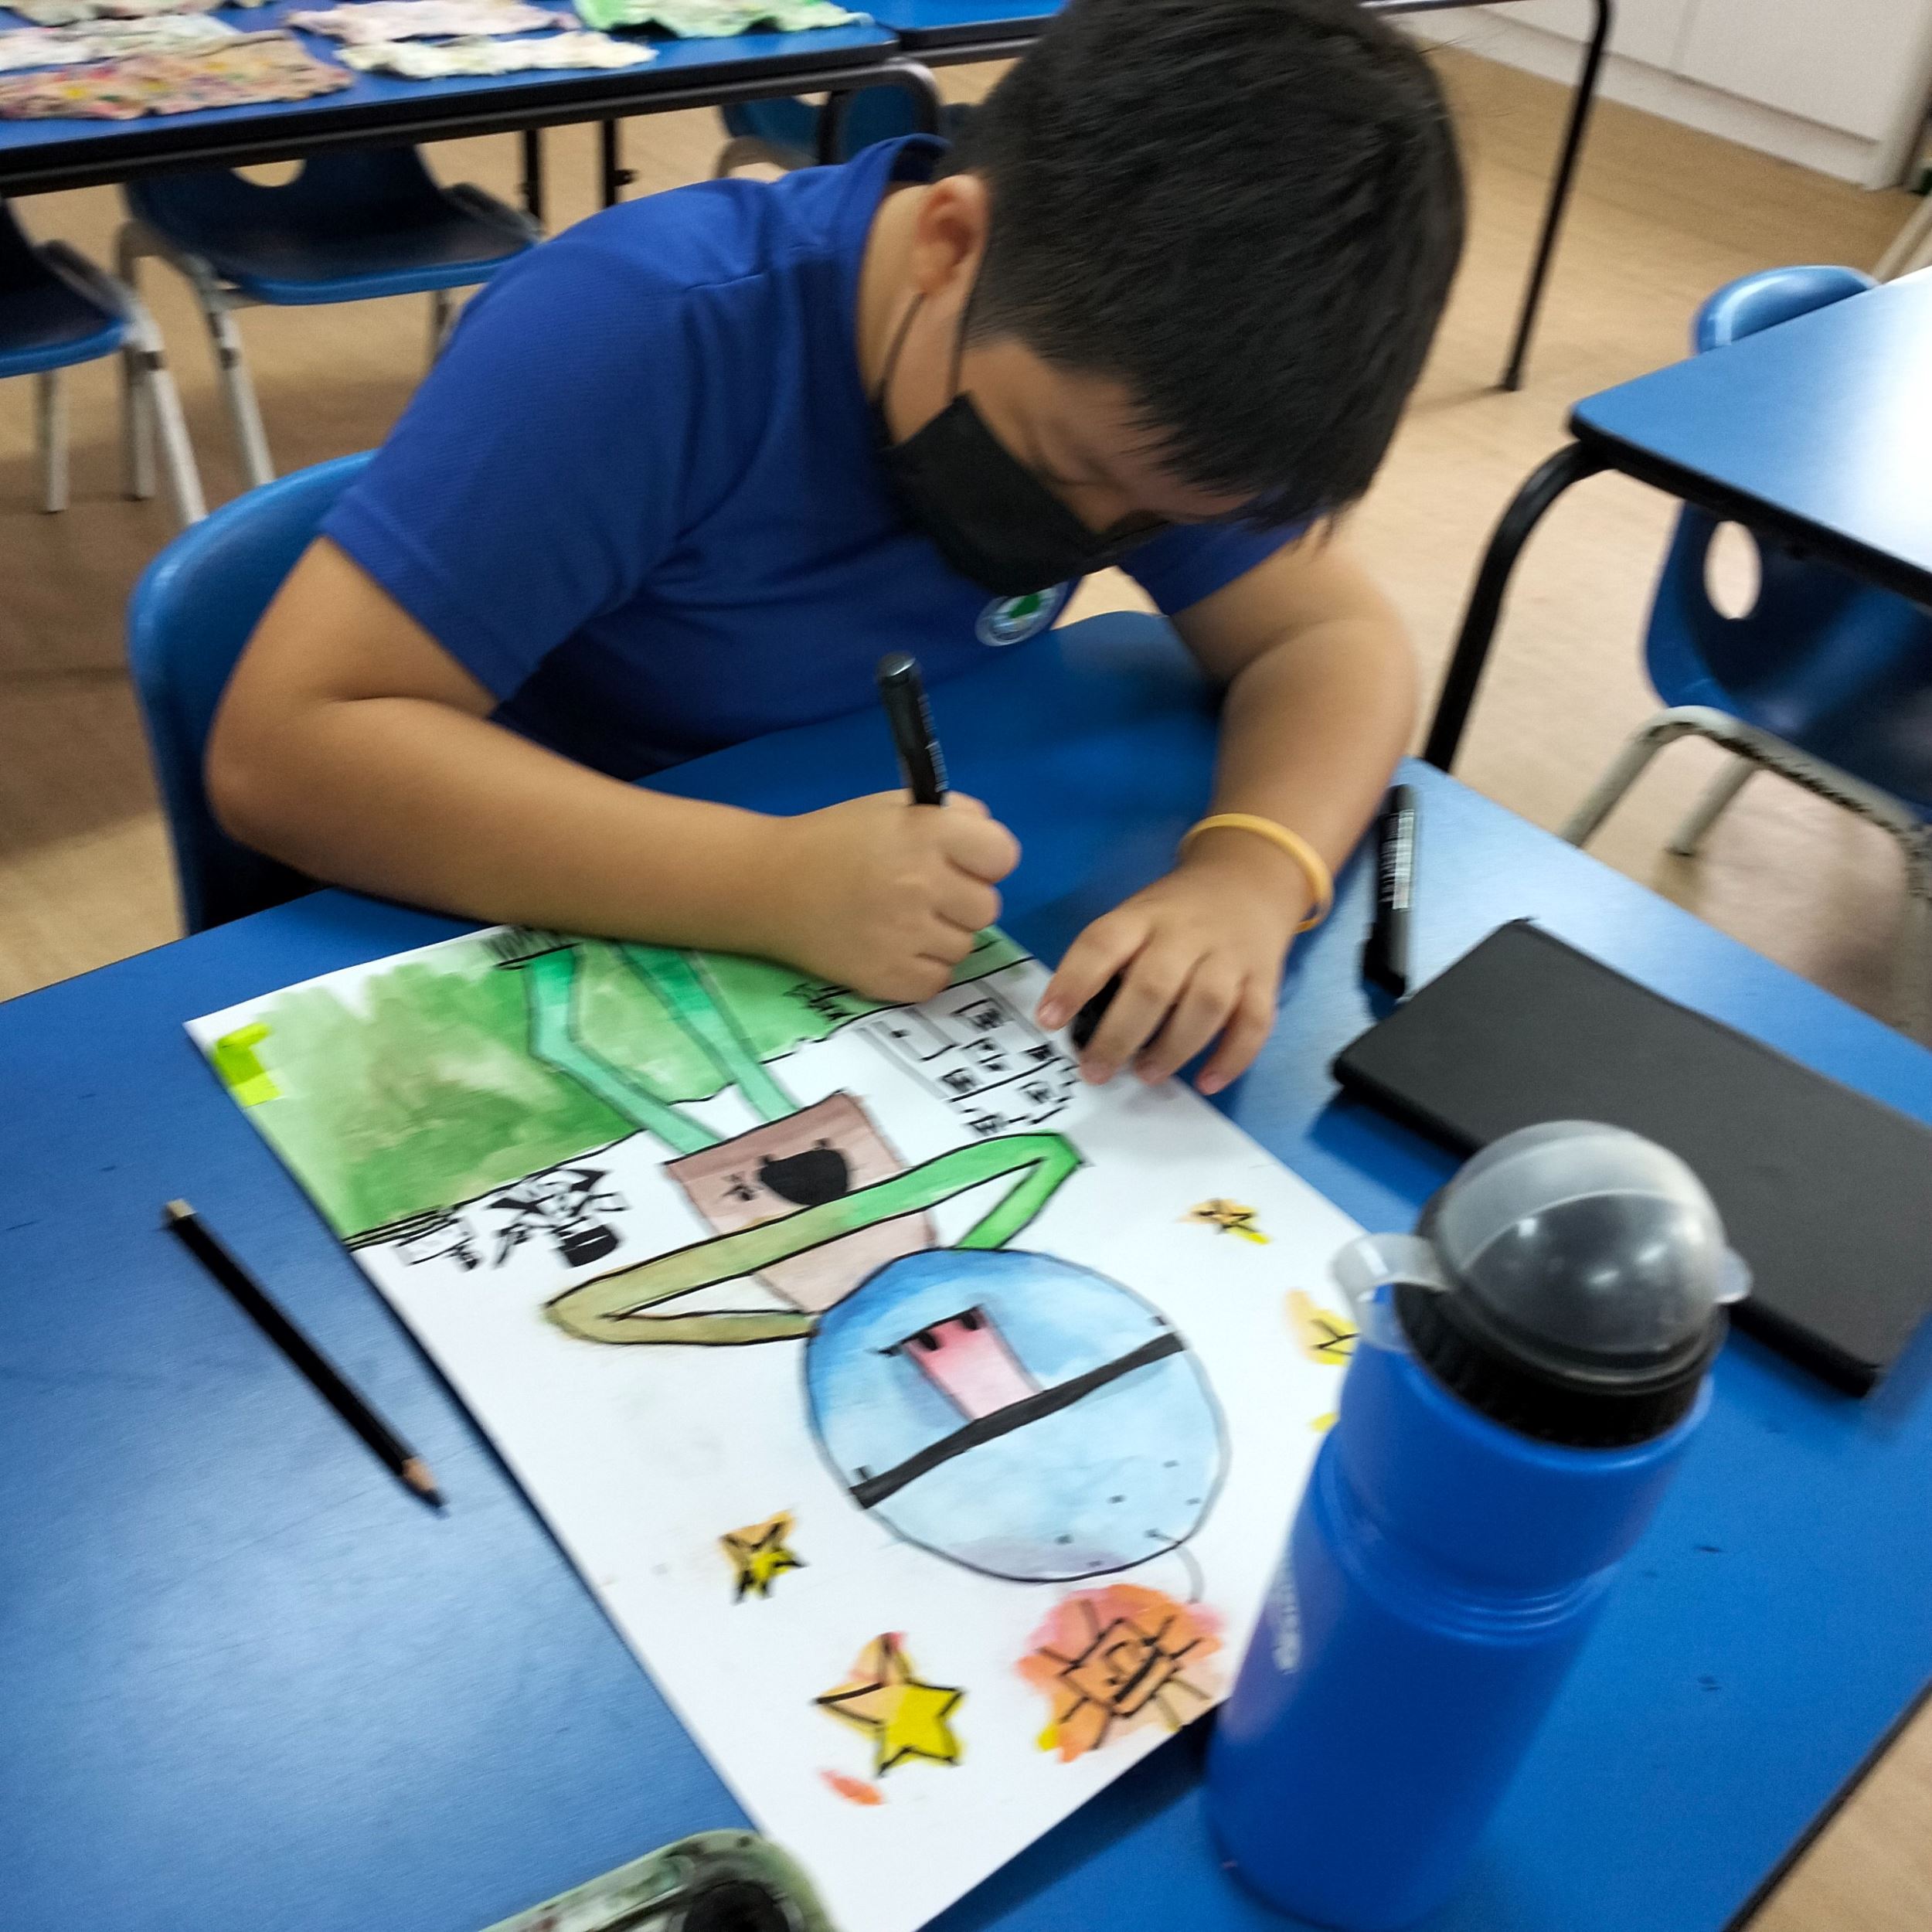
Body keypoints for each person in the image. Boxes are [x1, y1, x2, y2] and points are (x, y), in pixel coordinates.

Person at [207, 0, 1464, 1096]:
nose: (1087, 536)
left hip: (869, 918)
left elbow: (1331, 635)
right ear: (949, 244)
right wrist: (763, 880)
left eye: (1157, 519)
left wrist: (1254, 870)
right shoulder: (639, 339)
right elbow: (285, 752)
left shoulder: (1136, 391)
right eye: (1063, 472)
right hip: (550, 911)